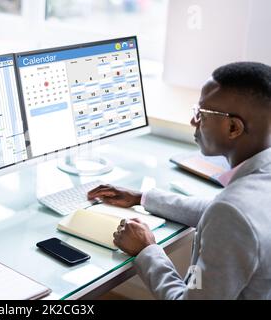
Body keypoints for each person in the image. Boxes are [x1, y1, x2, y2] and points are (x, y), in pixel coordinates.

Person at [88, 62, 271, 299]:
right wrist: (141, 197)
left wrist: (147, 250)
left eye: (201, 113)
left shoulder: (232, 213)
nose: (193, 121)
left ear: (233, 127)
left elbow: (228, 215)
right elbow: (215, 210)